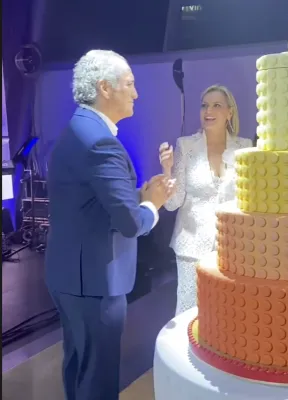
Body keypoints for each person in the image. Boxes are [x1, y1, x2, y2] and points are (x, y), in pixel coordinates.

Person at [45, 50, 175, 400]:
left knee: (79, 367)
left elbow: (90, 201)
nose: (136, 93)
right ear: (104, 87)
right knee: (98, 381)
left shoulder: (79, 129)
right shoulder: (101, 142)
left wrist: (137, 194)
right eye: (129, 84)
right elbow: (130, 224)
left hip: (70, 276)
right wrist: (152, 204)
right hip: (94, 282)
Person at [159, 85, 253, 315]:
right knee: (190, 313)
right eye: (204, 105)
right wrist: (167, 170)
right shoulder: (186, 146)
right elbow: (173, 203)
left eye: (216, 105)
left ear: (229, 112)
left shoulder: (244, 148)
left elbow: (249, 201)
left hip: (232, 247)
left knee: (228, 312)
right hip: (191, 248)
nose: (208, 111)